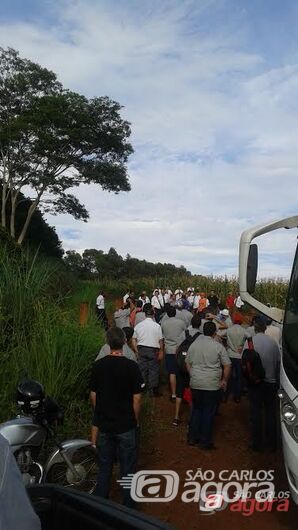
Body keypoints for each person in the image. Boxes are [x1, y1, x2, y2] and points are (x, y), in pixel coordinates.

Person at [90, 327, 144, 508]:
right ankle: (128, 508)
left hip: (105, 425)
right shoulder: (132, 367)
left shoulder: (98, 366)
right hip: (126, 425)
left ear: (107, 342)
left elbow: (94, 395)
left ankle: (100, 506)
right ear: (124, 342)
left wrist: (101, 412)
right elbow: (137, 398)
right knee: (128, 468)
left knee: (104, 467)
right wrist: (135, 420)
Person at [185, 321, 231, 449]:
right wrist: (224, 380)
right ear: (214, 332)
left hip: (196, 383)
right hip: (211, 384)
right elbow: (227, 364)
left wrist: (192, 374)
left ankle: (192, 438)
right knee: (208, 412)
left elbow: (187, 362)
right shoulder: (218, 346)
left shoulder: (194, 345)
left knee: (196, 410)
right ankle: (205, 442)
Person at [243, 316, 280, 452]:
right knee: (270, 413)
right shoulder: (273, 343)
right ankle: (272, 443)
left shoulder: (250, 343)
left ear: (255, 328)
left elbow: (244, 361)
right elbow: (277, 363)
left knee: (255, 412)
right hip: (270, 382)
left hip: (254, 382)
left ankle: (256, 442)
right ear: (265, 329)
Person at [173, 314, 202, 426]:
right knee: (192, 392)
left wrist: (178, 361)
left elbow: (177, 349)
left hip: (181, 367)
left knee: (179, 393)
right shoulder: (201, 336)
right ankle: (191, 417)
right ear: (200, 324)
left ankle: (176, 417)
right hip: (193, 368)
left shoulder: (184, 333)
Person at [132, 305, 164, 397]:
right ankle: (152, 390)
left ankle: (143, 389)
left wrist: (136, 350)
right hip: (153, 350)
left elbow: (134, 339)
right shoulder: (157, 326)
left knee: (142, 369)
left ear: (145, 315)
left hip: (141, 349)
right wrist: (161, 351)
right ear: (153, 315)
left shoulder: (139, 325)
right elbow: (160, 340)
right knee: (153, 370)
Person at [161, 306, 186, 401]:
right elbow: (185, 333)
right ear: (175, 313)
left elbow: (162, 337)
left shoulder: (164, 324)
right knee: (181, 371)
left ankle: (174, 394)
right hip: (179, 350)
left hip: (169, 350)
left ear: (167, 314)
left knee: (172, 372)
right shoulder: (181, 323)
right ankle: (181, 393)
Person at [226, 314, 246, 402]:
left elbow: (219, 334)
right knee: (239, 376)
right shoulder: (244, 330)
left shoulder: (229, 330)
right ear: (241, 322)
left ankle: (225, 395)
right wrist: (243, 346)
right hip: (239, 355)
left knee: (227, 376)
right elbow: (249, 337)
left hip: (229, 355)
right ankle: (237, 396)